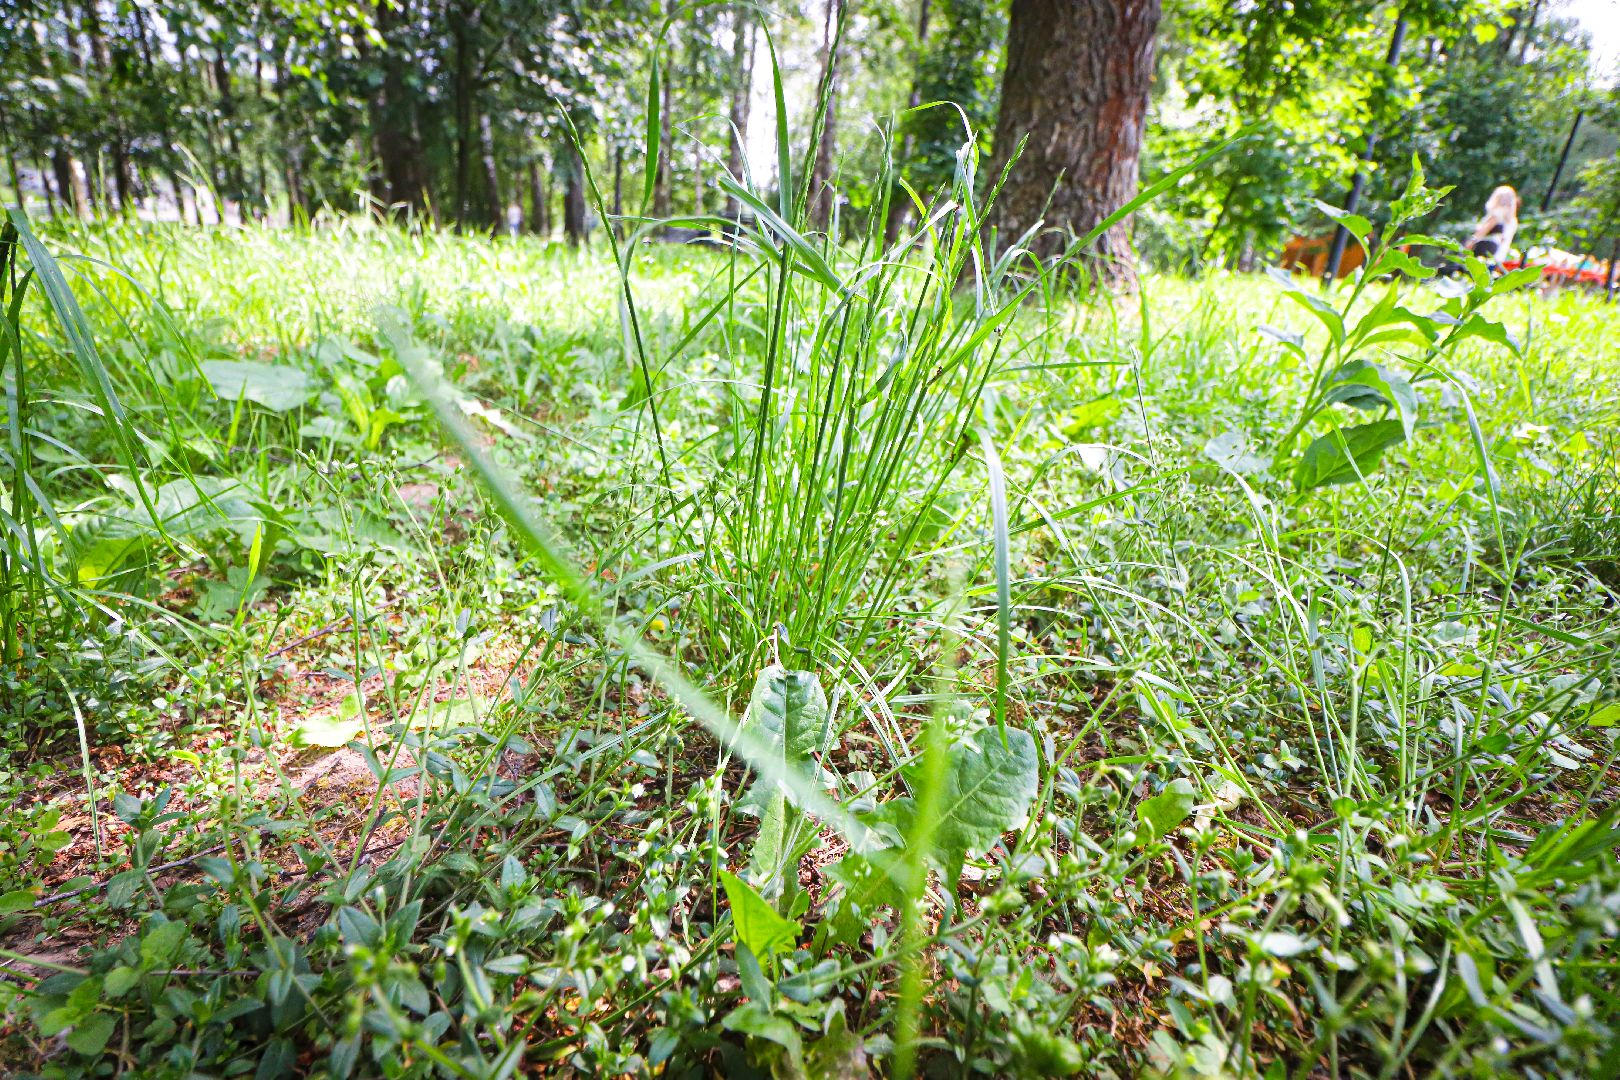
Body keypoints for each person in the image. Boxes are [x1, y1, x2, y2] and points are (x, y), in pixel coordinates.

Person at [1466, 185, 1519, 268]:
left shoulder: (1498, 213)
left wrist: (1471, 241)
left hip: (1485, 246)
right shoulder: (1512, 220)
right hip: (1498, 254)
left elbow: (1484, 229)